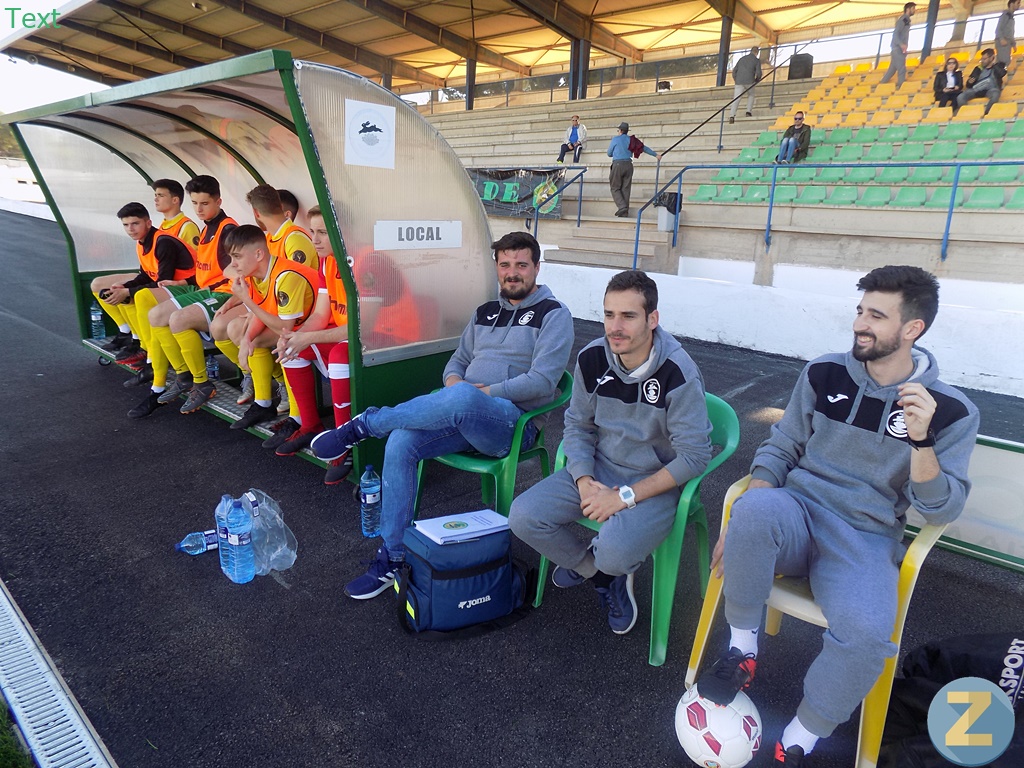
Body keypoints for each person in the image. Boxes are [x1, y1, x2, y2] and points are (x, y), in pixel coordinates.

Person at [695, 265, 979, 767]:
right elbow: (783, 444)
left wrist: (921, 440)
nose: (859, 324)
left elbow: (941, 506)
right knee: (751, 506)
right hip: (797, 512)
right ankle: (742, 649)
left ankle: (801, 736)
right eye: (859, 311)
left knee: (870, 636)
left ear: (912, 329)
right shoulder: (824, 372)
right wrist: (748, 515)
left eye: (876, 315)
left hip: (865, 539)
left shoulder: (951, 411)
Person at [311, 231, 574, 600]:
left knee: (462, 397)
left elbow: (544, 382)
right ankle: (394, 556)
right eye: (505, 265)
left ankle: (366, 424)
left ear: (536, 268)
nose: (512, 273)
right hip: (463, 413)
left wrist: (477, 393)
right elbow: (457, 361)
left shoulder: (554, 315)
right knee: (402, 441)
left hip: (512, 425)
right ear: (497, 267)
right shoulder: (485, 312)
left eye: (521, 265)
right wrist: (454, 384)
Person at [509, 270, 711, 634]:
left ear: (653, 319)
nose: (615, 327)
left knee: (616, 552)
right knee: (523, 516)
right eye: (609, 314)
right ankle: (601, 576)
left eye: (628, 316)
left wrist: (625, 497)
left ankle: (606, 564)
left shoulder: (679, 372)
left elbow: (695, 457)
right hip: (600, 468)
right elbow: (578, 425)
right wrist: (584, 481)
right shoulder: (592, 358)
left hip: (653, 483)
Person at [271, 205, 422, 484]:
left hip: (395, 337)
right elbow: (320, 315)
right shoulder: (327, 260)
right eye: (312, 232)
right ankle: (310, 425)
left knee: (341, 353)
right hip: (357, 336)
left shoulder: (369, 261)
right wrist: (294, 336)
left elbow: (363, 327)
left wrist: (309, 336)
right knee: (295, 348)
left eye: (322, 233)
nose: (314, 240)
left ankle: (344, 440)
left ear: (344, 234)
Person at [147, 175, 239, 415]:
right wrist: (183, 282)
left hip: (223, 293)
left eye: (205, 203)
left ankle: (202, 382)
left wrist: (205, 288)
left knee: (178, 319)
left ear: (218, 201)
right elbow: (204, 270)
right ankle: (184, 375)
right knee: (156, 315)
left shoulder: (228, 228)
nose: (198, 209)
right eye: (195, 203)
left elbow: (236, 272)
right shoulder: (206, 226)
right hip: (203, 288)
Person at [219, 224, 323, 431]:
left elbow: (284, 327)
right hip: (297, 326)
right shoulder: (257, 272)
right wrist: (245, 340)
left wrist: (246, 300)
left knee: (284, 343)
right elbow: (266, 311)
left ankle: (297, 417)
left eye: (237, 257)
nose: (234, 264)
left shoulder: (285, 276)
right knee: (253, 339)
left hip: (321, 326)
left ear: (258, 254)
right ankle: (263, 403)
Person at [90, 202, 195, 387]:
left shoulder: (163, 242)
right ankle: (138, 343)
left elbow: (162, 281)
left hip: (189, 287)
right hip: (168, 287)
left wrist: (128, 291)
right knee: (120, 292)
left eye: (135, 223)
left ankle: (149, 356)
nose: (130, 229)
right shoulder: (141, 243)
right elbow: (146, 275)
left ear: (148, 222)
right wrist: (124, 287)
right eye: (126, 225)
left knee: (138, 296)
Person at [607, 122, 662, 218]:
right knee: (626, 188)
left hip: (618, 164)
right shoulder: (631, 140)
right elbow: (644, 148)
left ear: (620, 131)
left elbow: (609, 153)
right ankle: (624, 212)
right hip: (629, 165)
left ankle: (622, 206)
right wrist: (656, 155)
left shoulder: (615, 139)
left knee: (615, 187)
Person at [956, 48, 1007, 115]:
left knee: (995, 94)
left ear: (992, 58)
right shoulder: (978, 69)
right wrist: (969, 82)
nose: (982, 61)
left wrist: (994, 66)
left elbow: (1002, 73)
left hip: (991, 90)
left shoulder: (997, 67)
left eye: (984, 59)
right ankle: (967, 113)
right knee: (960, 97)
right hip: (976, 90)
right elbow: (968, 85)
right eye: (982, 59)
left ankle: (986, 113)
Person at [880, 3, 917, 87]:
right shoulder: (903, 20)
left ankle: (881, 85)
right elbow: (896, 33)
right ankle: (901, 87)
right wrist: (901, 44)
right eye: (913, 8)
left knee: (892, 70)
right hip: (897, 49)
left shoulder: (906, 20)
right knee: (902, 69)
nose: (915, 10)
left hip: (897, 48)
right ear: (908, 9)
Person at [729, 47, 762, 123]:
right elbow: (759, 73)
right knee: (751, 95)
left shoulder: (742, 59)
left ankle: (732, 115)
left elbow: (734, 71)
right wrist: (757, 80)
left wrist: (736, 79)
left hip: (739, 81)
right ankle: (748, 111)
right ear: (757, 52)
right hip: (750, 81)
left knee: (736, 98)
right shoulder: (756, 60)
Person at [995, 0, 1020, 66]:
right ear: (1012, 4)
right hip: (1003, 42)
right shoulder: (1005, 15)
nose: (1019, 5)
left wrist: (1013, 44)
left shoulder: (1011, 17)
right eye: (1018, 3)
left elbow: (1010, 32)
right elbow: (998, 28)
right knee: (1002, 63)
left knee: (1006, 62)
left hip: (1007, 42)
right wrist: (1001, 39)